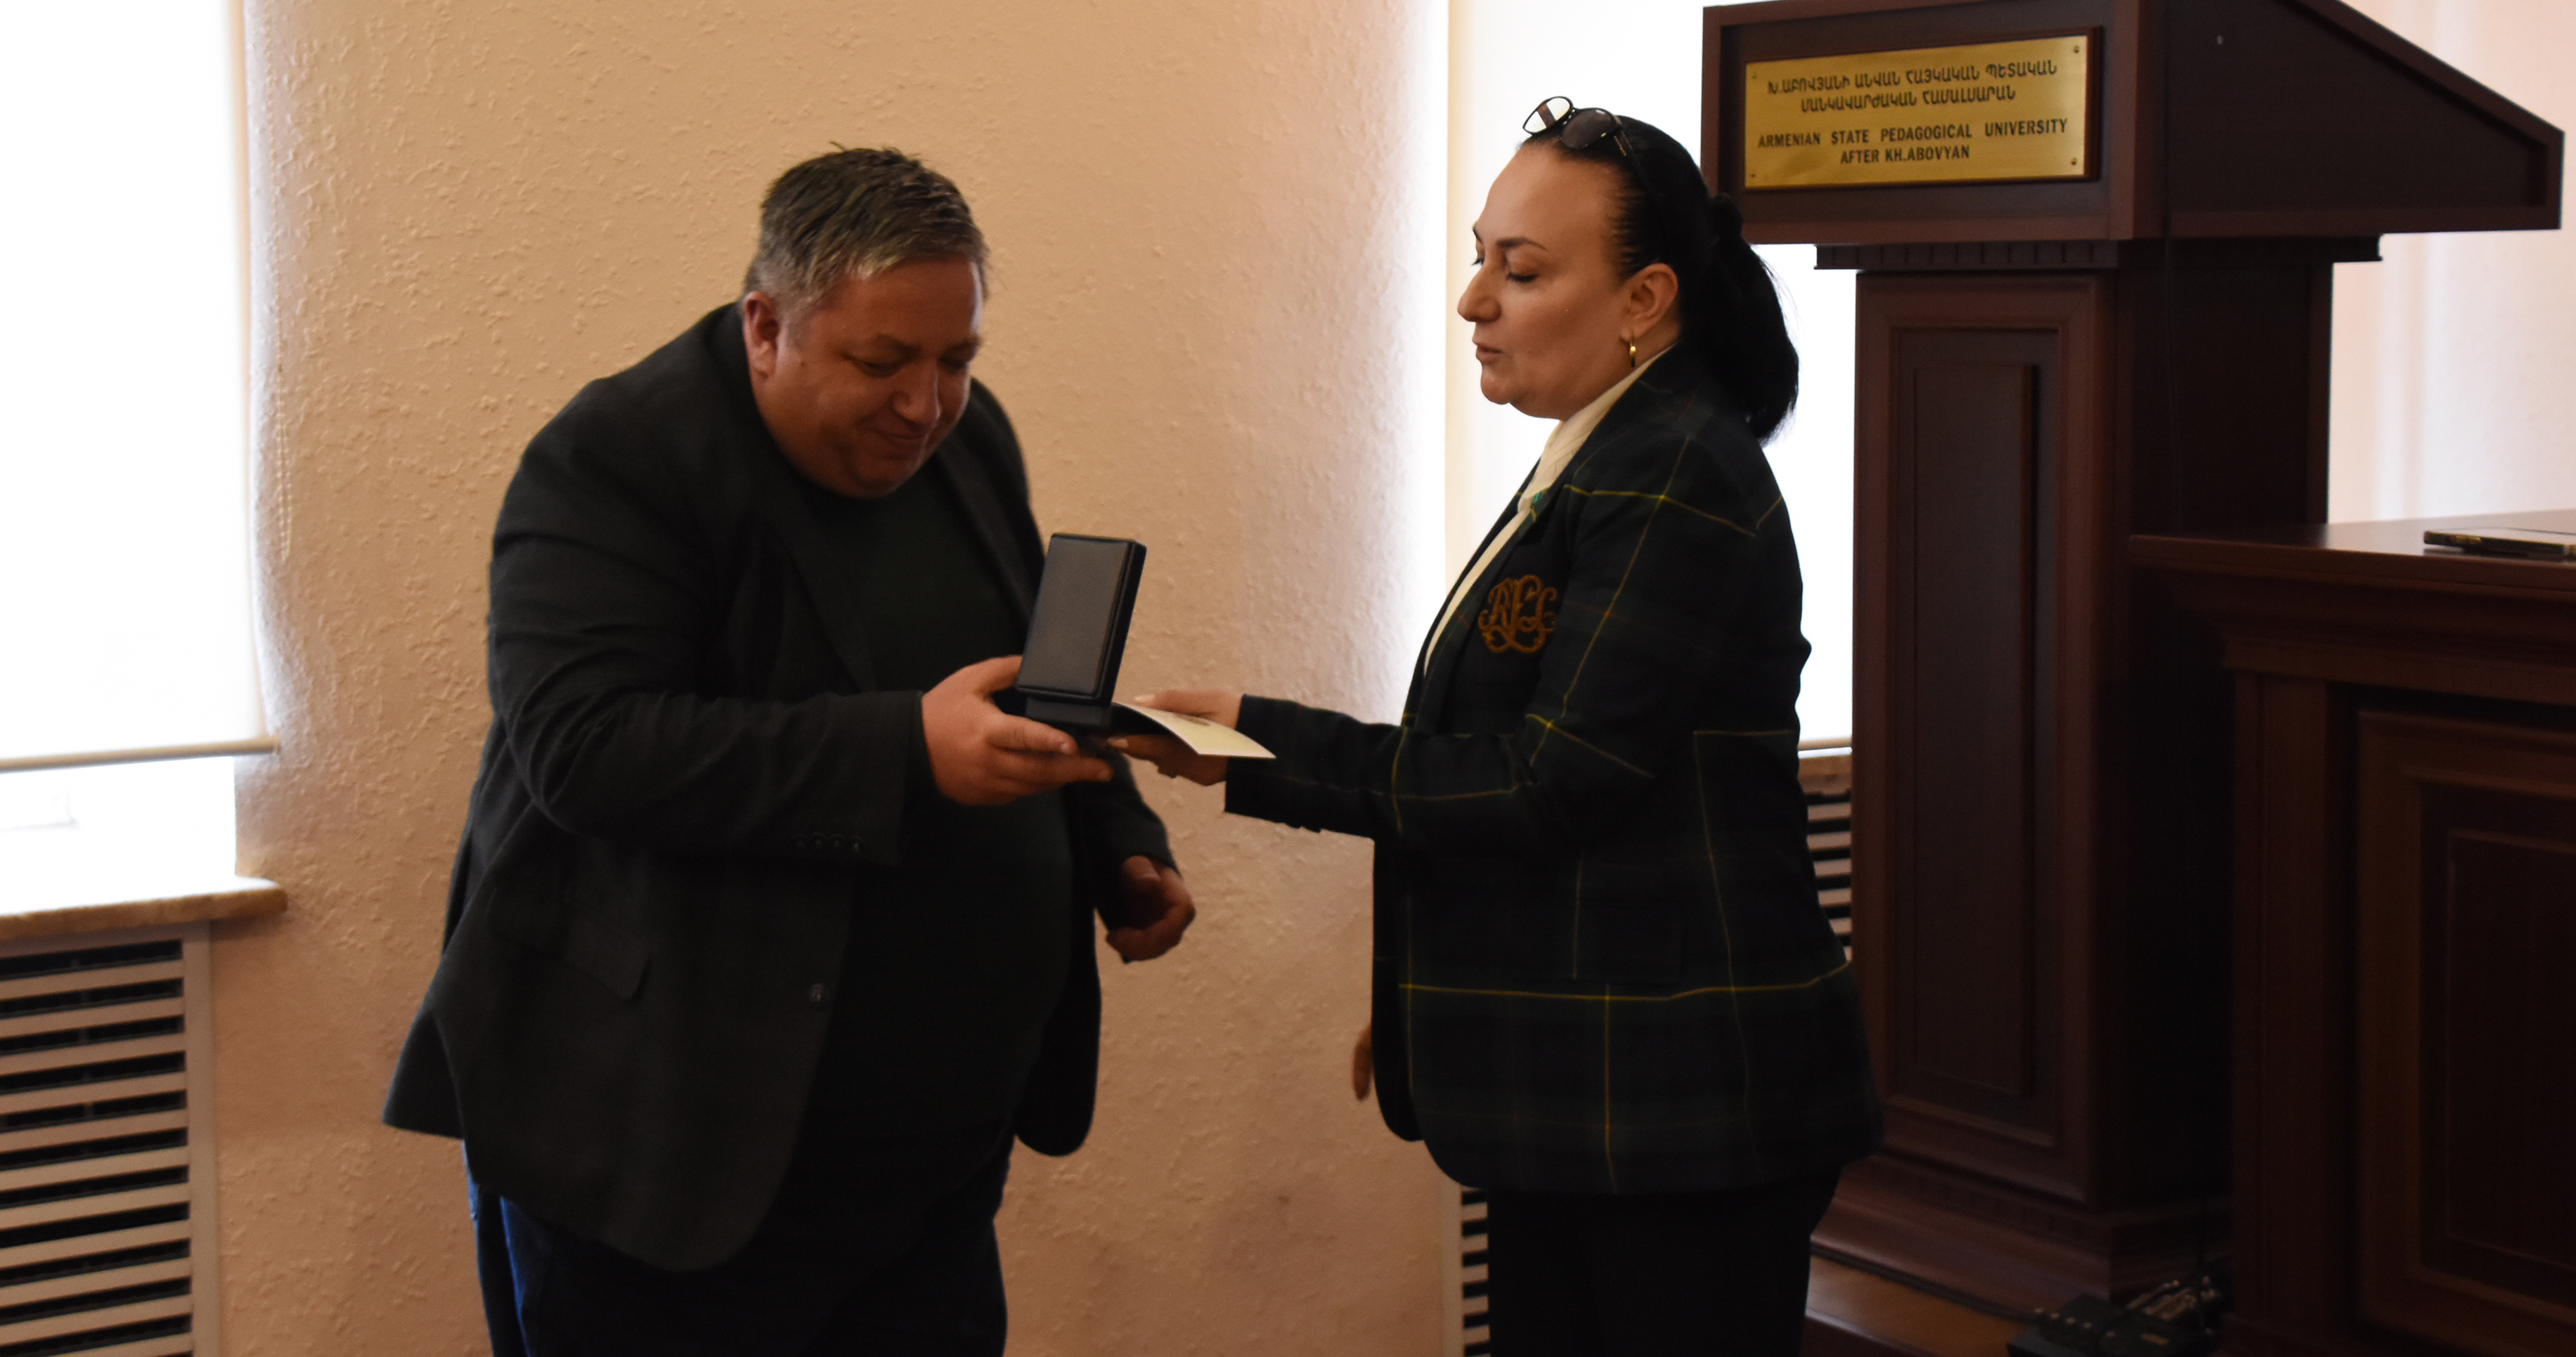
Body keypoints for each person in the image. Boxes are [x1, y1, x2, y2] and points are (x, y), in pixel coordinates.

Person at [382, 146, 1196, 1357]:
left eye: (957, 359)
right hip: (678, 1163)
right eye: (883, 361)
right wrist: (904, 749)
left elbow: (1020, 677)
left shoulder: (968, 441)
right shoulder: (619, 458)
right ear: (767, 326)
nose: (925, 404)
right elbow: (584, 748)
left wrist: (1116, 838)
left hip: (931, 1163)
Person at [1116, 100, 1879, 1356]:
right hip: (1587, 1090)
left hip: (1676, 1109)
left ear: (1644, 299)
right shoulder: (1605, 448)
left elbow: (1548, 784)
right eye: (1481, 258)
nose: (1474, 299)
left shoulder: (1673, 468)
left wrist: (1261, 741)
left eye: (1520, 271)